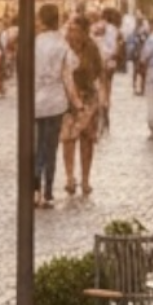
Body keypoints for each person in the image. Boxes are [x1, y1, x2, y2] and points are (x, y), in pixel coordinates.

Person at [30, 2, 73, 211]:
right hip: (55, 101)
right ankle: (47, 192)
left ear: (41, 19)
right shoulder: (62, 44)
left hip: (35, 100)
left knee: (36, 146)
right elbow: (69, 72)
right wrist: (76, 102)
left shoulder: (35, 42)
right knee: (51, 147)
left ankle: (34, 189)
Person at [59, 16, 105, 200]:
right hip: (68, 99)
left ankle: (86, 179)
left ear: (84, 31)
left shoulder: (92, 48)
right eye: (70, 29)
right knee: (68, 139)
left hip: (88, 98)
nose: (71, 33)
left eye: (75, 29)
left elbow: (99, 72)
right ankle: (70, 178)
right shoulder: (64, 47)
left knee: (87, 139)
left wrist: (103, 98)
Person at [90, 9, 121, 133]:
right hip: (109, 63)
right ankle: (105, 110)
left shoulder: (93, 28)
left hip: (96, 62)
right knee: (107, 88)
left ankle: (100, 111)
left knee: (98, 88)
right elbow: (114, 48)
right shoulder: (114, 29)